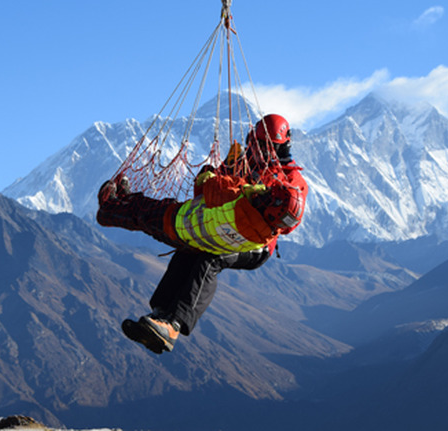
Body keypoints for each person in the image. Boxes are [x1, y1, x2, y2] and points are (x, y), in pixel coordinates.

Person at [97, 114, 308, 354]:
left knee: (211, 258)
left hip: (256, 245)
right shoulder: (240, 161)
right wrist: (213, 177)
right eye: (257, 144)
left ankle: (173, 325)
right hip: (225, 226)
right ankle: (159, 316)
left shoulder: (291, 180)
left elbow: (289, 222)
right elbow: (206, 193)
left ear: (282, 146)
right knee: (189, 249)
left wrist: (263, 200)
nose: (260, 151)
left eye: (266, 146)